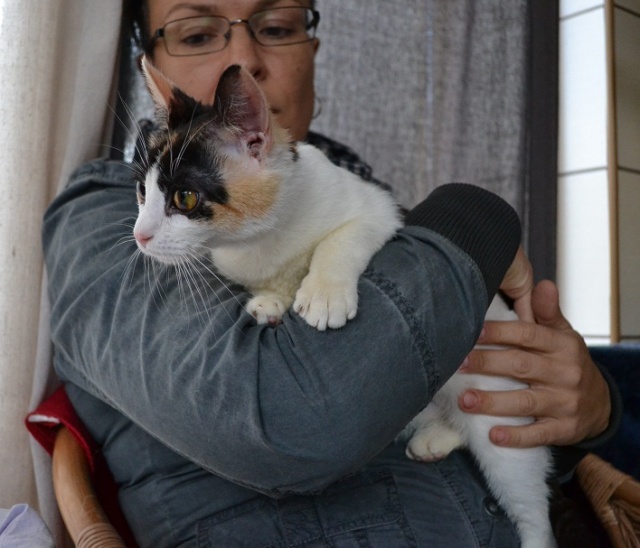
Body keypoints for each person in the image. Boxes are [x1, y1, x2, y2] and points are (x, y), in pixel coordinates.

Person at [38, 0, 621, 546]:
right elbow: (291, 424)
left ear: (313, 50)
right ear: (152, 63)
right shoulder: (106, 220)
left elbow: (488, 390)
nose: (246, 61)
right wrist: (474, 221)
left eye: (276, 27)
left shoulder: (354, 195)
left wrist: (589, 416)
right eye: (196, 35)